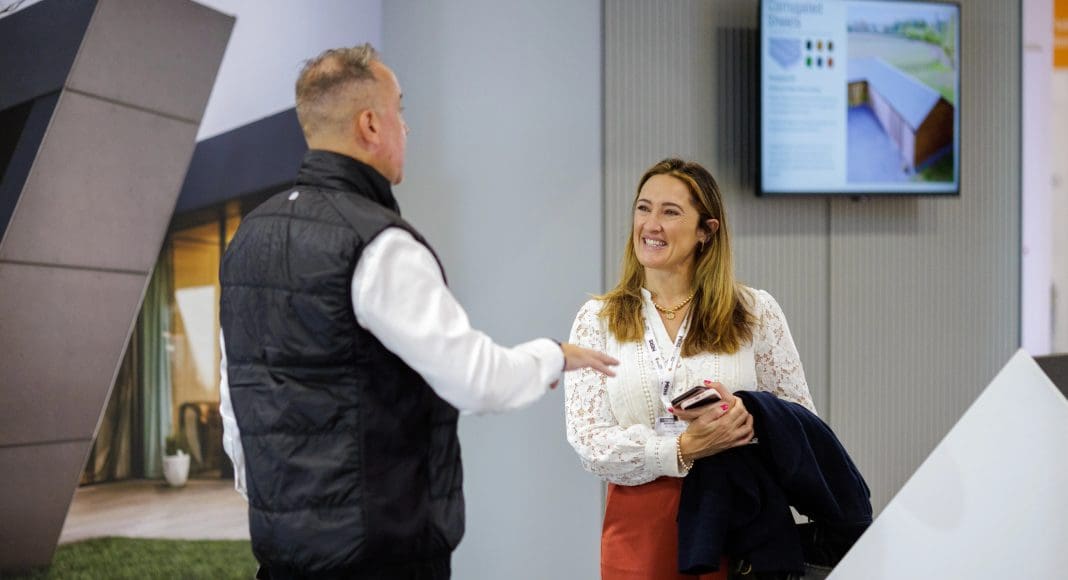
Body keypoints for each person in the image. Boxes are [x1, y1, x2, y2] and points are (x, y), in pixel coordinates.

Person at [217, 44, 617, 580]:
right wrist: (554, 355)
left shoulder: (248, 237)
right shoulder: (379, 245)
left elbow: (236, 399)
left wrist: (281, 507)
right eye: (399, 111)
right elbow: (477, 381)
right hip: (380, 556)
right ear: (370, 125)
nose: (406, 128)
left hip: (283, 554)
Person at [564, 158, 817, 580]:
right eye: (643, 208)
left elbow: (802, 421)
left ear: (706, 231)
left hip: (738, 519)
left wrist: (747, 416)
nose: (651, 225)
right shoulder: (598, 319)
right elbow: (588, 440)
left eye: (670, 212)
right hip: (640, 530)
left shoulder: (755, 311)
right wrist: (680, 449)